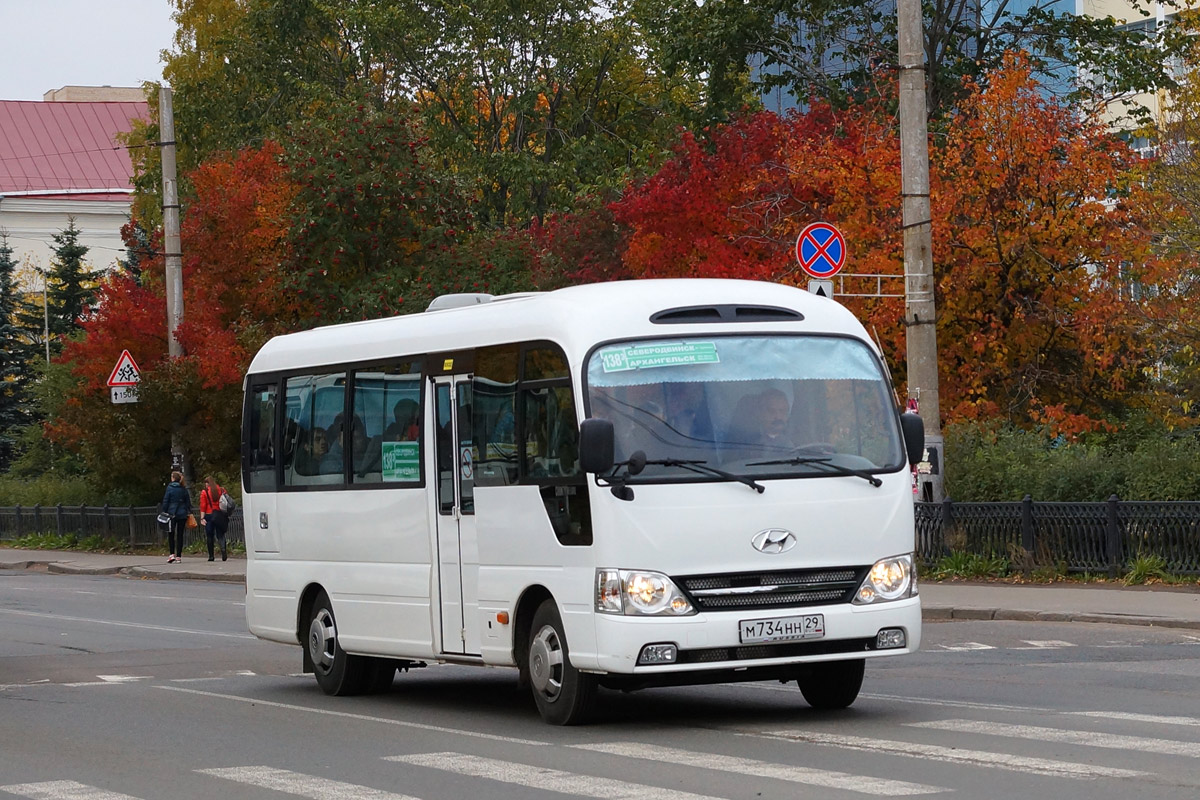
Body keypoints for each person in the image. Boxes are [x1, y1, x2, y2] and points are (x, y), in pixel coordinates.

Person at [159, 471, 191, 564]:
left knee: (171, 534)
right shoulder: (183, 488)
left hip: (171, 513)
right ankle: (179, 556)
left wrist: (165, 511)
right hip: (182, 514)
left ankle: (171, 554)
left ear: (173, 478)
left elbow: (166, 500)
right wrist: (188, 511)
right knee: (180, 535)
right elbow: (187, 502)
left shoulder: (170, 488)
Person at [199, 475, 230, 562]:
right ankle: (223, 550)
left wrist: (202, 518)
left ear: (207, 484)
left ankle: (211, 556)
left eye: (206, 484)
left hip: (209, 515)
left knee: (210, 535)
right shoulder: (221, 490)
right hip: (219, 514)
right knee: (220, 534)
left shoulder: (204, 492)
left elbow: (203, 506)